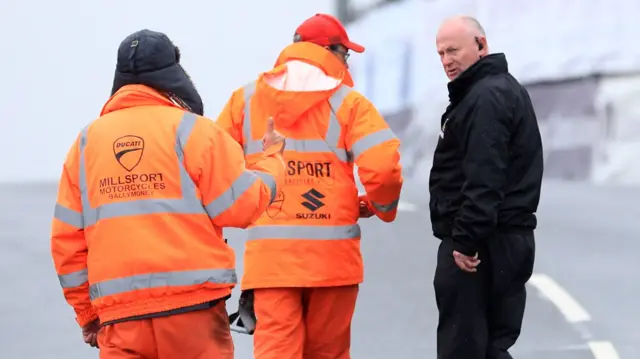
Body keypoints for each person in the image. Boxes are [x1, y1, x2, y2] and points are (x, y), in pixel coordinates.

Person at [50, 29, 286, 359]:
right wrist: (272, 160)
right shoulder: (194, 131)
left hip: (121, 321)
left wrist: (88, 315)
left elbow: (66, 243)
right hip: (194, 314)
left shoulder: (87, 144)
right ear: (172, 73)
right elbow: (242, 206)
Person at [216, 13, 404, 359]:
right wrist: (381, 207)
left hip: (271, 265)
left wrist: (237, 214)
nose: (346, 62)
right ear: (327, 51)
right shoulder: (350, 104)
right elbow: (383, 169)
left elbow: (214, 168)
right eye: (344, 53)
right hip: (332, 265)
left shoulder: (244, 101)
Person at [429, 16, 542, 359]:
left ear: (481, 45)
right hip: (504, 239)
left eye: (453, 50)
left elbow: (485, 176)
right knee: (491, 347)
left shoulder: (485, 97)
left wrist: (466, 240)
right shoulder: (496, 90)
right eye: (440, 53)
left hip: (481, 247)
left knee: (463, 348)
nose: (446, 60)